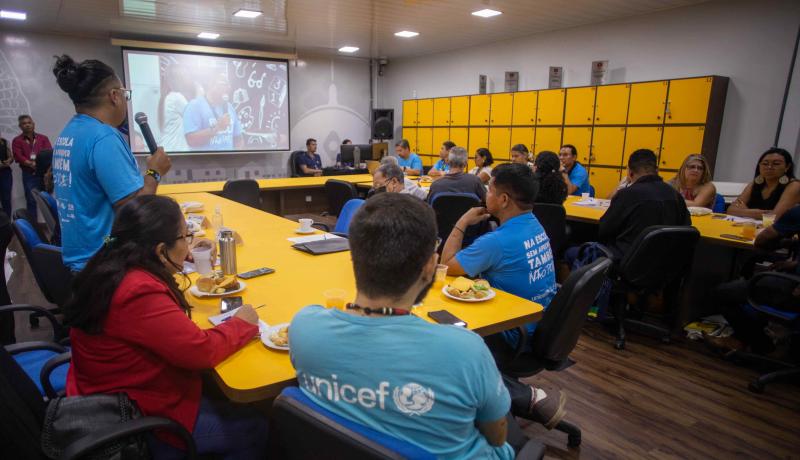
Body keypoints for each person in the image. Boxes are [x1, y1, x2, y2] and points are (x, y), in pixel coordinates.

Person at [290, 193, 565, 459]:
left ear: (352, 257)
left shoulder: (304, 328)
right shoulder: (465, 349)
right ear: (431, 265)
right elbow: (496, 438)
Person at [65, 195, 267, 459]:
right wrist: (242, 324)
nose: (189, 243)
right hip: (135, 419)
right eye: (185, 237)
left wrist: (190, 257)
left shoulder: (111, 261)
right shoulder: (138, 291)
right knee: (256, 425)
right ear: (160, 250)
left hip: (100, 392)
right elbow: (200, 352)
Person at [52, 54, 172, 271]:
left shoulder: (68, 133)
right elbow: (133, 209)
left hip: (83, 255)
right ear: (114, 96)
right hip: (105, 263)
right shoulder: (104, 137)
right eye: (126, 94)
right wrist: (155, 172)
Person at [440, 163, 557, 354]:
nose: (485, 194)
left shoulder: (497, 242)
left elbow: (446, 265)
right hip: (538, 323)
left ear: (503, 199)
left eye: (489, 190)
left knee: (442, 322)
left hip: (510, 333)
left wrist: (463, 221)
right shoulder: (535, 224)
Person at [705, 205, 800, 355]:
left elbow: (762, 241)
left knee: (722, 293)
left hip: (794, 291)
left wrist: (782, 237)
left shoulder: (797, 211)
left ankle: (756, 343)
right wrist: (794, 263)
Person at [592, 149, 691, 261]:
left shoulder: (627, 194)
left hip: (628, 262)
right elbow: (686, 228)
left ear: (630, 173)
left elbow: (604, 230)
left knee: (573, 251)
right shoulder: (675, 195)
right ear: (657, 170)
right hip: (666, 264)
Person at [728, 147, 799, 219]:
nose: (769, 167)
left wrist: (745, 211)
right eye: (765, 163)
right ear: (759, 166)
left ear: (787, 167)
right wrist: (759, 213)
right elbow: (731, 210)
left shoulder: (794, 186)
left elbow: (775, 217)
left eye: (776, 164)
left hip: (778, 229)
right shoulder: (753, 184)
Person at [183, 72, 243, 151]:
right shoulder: (195, 106)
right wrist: (217, 128)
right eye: (224, 83)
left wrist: (237, 156)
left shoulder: (230, 107)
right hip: (204, 162)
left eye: (229, 84)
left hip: (228, 162)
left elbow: (238, 138)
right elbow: (191, 140)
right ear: (211, 84)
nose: (229, 87)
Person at [12, 115, 52, 218]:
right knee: (31, 200)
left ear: (33, 124)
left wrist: (42, 167)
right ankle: (35, 227)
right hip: (29, 174)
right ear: (20, 126)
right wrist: (32, 164)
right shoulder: (17, 141)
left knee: (48, 199)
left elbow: (48, 154)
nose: (27, 125)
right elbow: (18, 156)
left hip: (44, 174)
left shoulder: (43, 138)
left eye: (29, 123)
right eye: (24, 123)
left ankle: (53, 225)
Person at [159, 61, 194, 152]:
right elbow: (194, 117)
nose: (189, 79)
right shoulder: (177, 97)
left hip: (169, 147)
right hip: (175, 149)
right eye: (186, 76)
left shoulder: (169, 97)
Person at [0, 137, 12, 216]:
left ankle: (7, 223)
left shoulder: (4, 141)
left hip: (4, 173)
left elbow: (11, 157)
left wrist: (9, 161)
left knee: (6, 199)